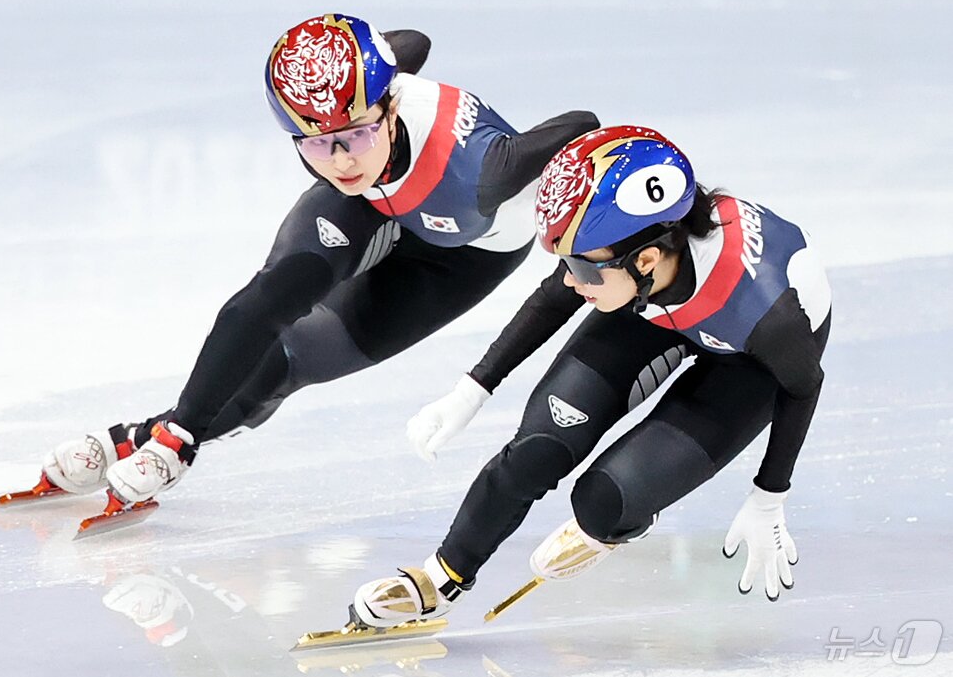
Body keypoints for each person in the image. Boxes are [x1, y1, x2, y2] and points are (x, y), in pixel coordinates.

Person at [38, 14, 599, 510]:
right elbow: (411, 43)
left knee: (293, 366)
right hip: (377, 204)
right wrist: (182, 434)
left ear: (393, 104)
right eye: (313, 142)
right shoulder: (353, 120)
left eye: (353, 135)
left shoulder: (483, 172)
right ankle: (173, 435)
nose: (338, 160)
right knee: (275, 298)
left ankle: (141, 436)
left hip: (462, 254)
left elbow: (581, 120)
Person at [351, 125, 832, 627]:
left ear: (646, 259)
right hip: (649, 306)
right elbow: (550, 299)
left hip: (748, 361)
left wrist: (768, 497)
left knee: (602, 502)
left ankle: (622, 516)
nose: (569, 280)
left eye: (581, 269)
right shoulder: (619, 252)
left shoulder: (768, 314)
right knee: (538, 447)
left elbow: (804, 385)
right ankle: (440, 578)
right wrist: (472, 388)